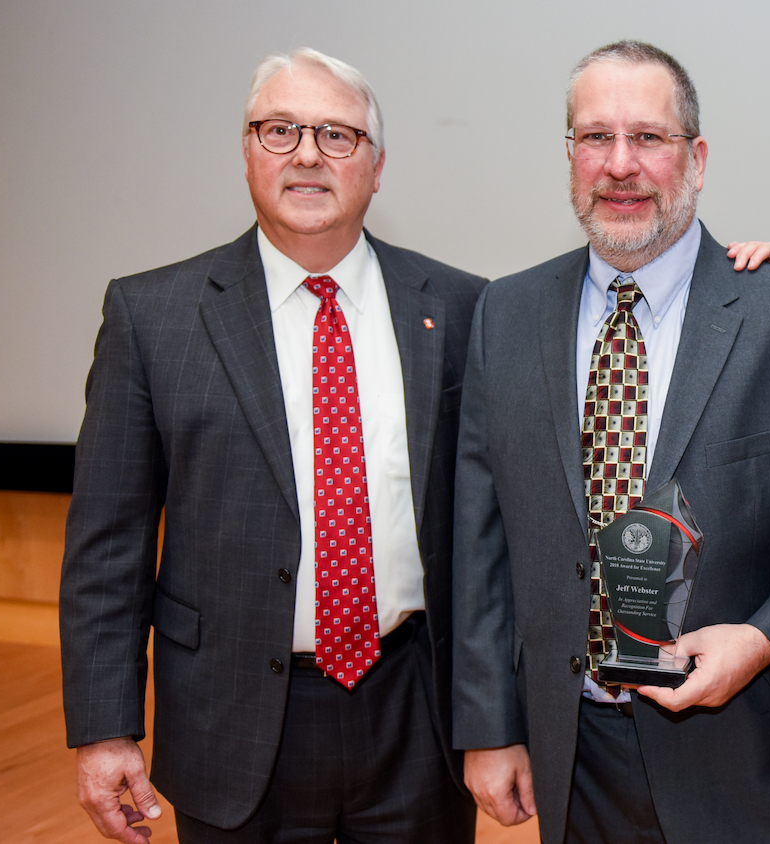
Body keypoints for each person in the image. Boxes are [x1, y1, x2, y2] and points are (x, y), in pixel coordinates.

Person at [59, 48, 486, 843]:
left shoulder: (462, 308)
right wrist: (104, 728)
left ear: (377, 166)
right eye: (280, 130)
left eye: (337, 135)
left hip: (417, 714)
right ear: (247, 151)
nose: (307, 156)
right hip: (231, 716)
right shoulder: (153, 316)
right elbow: (106, 546)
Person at [451, 40, 770, 844]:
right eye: (595, 138)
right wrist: (489, 725)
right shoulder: (507, 314)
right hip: (573, 752)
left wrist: (765, 640)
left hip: (746, 759)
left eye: (649, 138)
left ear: (696, 159)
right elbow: (482, 539)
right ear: (571, 157)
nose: (619, 164)